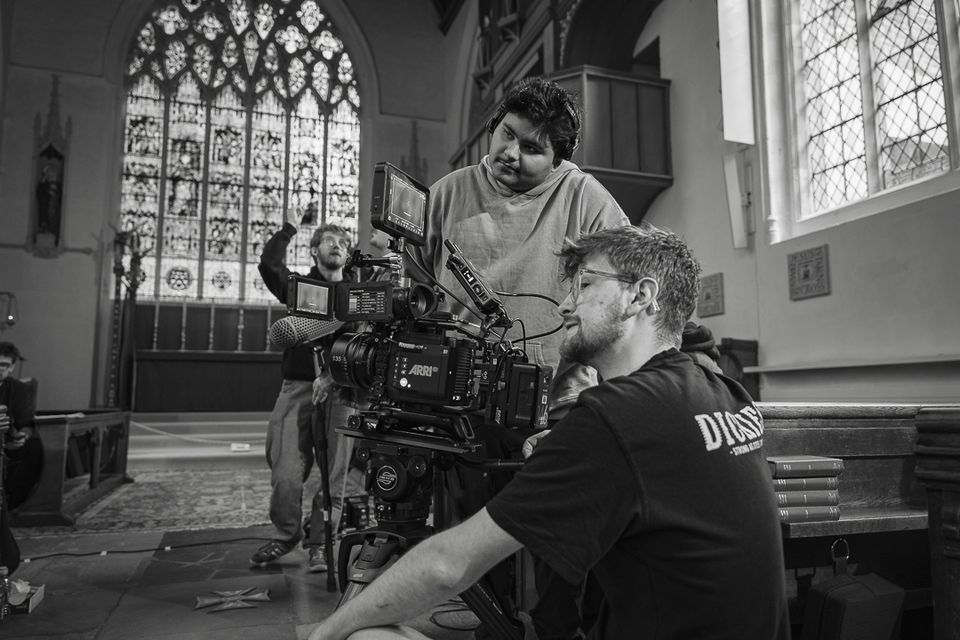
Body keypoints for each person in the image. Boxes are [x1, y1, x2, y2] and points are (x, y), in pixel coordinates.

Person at [307, 224, 790, 640]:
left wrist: (326, 630)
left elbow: (446, 566)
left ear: (641, 296)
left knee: (366, 634)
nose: (564, 305)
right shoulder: (726, 391)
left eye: (584, 285)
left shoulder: (617, 417)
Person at [406, 76, 629, 639]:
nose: (511, 153)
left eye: (533, 147)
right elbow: (407, 281)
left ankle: (559, 629)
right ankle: (494, 622)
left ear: (557, 160)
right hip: (464, 402)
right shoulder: (451, 192)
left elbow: (625, 284)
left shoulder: (584, 198)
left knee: (559, 540)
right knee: (480, 535)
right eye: (507, 134)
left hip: (558, 400)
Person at [250, 218, 364, 572]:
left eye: (342, 243)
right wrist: (288, 228)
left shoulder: (359, 293)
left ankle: (322, 541)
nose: (336, 246)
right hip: (297, 386)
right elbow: (269, 263)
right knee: (285, 468)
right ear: (315, 251)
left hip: (343, 390)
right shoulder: (299, 287)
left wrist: (332, 376)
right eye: (328, 241)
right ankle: (286, 536)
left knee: (337, 474)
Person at [0, 342, 43, 512]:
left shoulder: (16, 389)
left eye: (4, 365)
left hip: (7, 442)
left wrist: (22, 436)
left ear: (12, 367)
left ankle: (11, 503)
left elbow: (26, 423)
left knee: (34, 448)